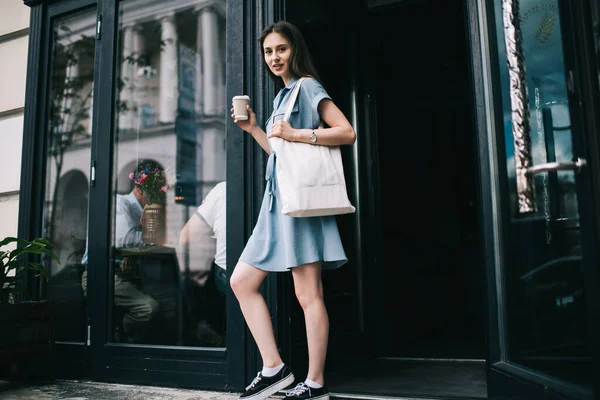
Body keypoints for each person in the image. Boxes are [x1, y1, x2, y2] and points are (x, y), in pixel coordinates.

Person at [230, 21, 356, 400]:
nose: (274, 58)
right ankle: (275, 369)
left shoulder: (307, 87)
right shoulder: (279, 98)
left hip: (300, 205)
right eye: (268, 52)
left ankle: (315, 384)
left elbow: (345, 131)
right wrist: (255, 129)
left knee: (308, 294)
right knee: (241, 281)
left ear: (294, 50)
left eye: (281, 49)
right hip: (277, 202)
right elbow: (281, 156)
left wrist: (298, 133)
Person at [80, 161, 161, 343]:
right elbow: (125, 239)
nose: (159, 196)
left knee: (172, 299)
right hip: (101, 273)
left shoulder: (145, 212)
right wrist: (160, 237)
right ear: (139, 189)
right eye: (155, 191)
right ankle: (123, 338)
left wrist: (131, 254)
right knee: (149, 307)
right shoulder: (120, 202)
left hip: (127, 273)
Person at [179, 181, 227, 345]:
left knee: (198, 284)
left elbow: (184, 237)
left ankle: (213, 335)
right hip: (271, 273)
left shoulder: (222, 189)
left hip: (229, 277)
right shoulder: (278, 184)